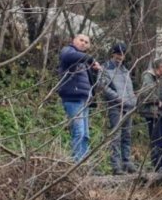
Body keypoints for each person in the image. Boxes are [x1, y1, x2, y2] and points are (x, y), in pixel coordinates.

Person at [58, 34, 102, 163]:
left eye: (86, 42)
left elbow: (89, 82)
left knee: (85, 135)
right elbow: (68, 57)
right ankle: (77, 163)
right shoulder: (68, 51)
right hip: (72, 99)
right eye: (81, 40)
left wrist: (94, 70)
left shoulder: (83, 61)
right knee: (78, 132)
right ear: (74, 40)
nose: (83, 43)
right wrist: (90, 59)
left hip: (84, 100)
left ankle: (84, 163)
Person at [100, 43, 137, 175]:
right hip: (115, 106)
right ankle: (116, 165)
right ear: (113, 54)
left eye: (122, 54)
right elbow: (103, 87)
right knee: (116, 135)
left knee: (127, 135)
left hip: (129, 106)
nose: (120, 57)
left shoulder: (125, 70)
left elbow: (129, 88)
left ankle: (127, 162)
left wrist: (133, 100)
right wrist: (117, 98)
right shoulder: (105, 68)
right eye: (118, 54)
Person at [139, 58, 162, 172]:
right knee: (156, 140)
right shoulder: (148, 77)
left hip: (160, 114)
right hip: (152, 113)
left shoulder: (160, 79)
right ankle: (157, 166)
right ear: (159, 67)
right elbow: (145, 93)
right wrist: (157, 101)